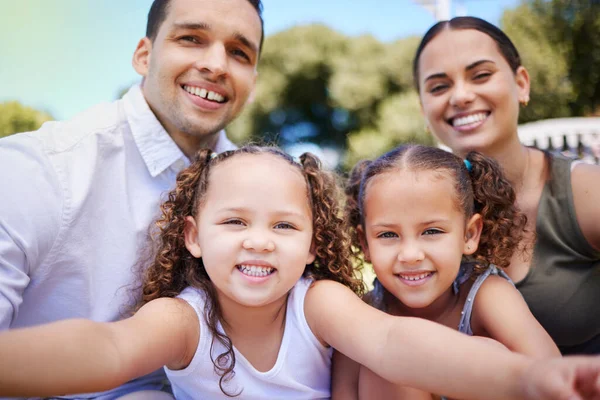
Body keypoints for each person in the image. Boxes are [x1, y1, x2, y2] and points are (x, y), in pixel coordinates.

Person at [2, 145, 600, 400]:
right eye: (234, 222)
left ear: (314, 243)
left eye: (285, 226)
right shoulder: (183, 319)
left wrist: (526, 378)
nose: (260, 241)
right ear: (193, 236)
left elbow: (397, 342)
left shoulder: (317, 302)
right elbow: (107, 347)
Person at [0, 0, 263, 397]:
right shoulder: (36, 171)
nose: (217, 65)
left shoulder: (263, 189)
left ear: (253, 81)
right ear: (144, 55)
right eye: (191, 38)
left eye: (239, 52)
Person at [412, 16, 600, 355]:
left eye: (481, 75)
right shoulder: (416, 211)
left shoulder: (586, 192)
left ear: (522, 84)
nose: (461, 96)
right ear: (424, 111)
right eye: (439, 86)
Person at [333, 144, 560, 400]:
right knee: (384, 361)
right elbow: (344, 393)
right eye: (388, 235)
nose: (410, 255)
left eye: (431, 232)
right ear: (365, 244)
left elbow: (553, 375)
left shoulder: (487, 294)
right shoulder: (363, 313)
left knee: (487, 353)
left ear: (469, 234)